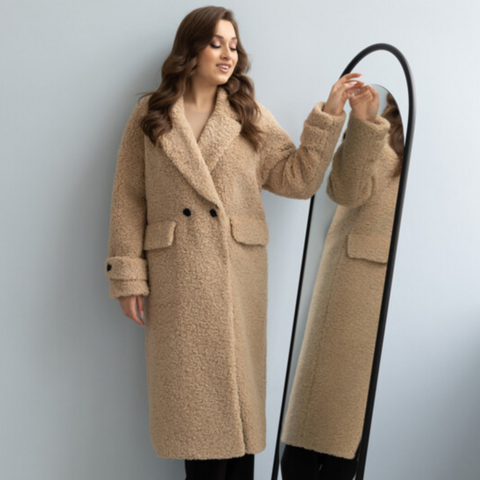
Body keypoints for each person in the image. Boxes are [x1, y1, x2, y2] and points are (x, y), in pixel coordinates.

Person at [104, 6, 363, 479]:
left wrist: (330, 115)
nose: (228, 54)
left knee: (240, 416)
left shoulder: (246, 114)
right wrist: (128, 277)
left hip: (236, 276)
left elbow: (298, 179)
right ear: (190, 49)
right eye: (216, 43)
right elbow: (128, 197)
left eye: (234, 45)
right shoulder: (151, 116)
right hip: (178, 278)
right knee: (195, 419)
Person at [280, 87, 404, 480]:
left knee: (352, 446)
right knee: (317, 437)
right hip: (355, 295)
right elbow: (344, 190)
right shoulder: (382, 144)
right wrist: (364, 124)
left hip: (406, 301)